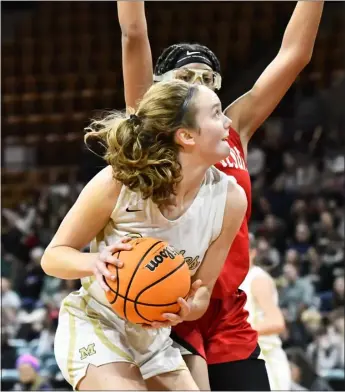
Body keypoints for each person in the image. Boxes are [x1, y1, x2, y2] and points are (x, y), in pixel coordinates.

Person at [117, 1, 324, 389]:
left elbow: (294, 56)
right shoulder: (149, 130)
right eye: (185, 74)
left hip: (226, 309)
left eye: (207, 77)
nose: (198, 82)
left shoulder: (232, 128)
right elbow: (133, 35)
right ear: (161, 85)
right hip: (163, 301)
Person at [41, 80, 247, 390]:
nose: (228, 123)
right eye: (217, 114)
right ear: (186, 135)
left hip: (154, 339)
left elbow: (202, 291)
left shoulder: (231, 200)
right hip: (97, 322)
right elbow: (53, 257)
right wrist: (95, 261)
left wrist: (188, 309)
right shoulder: (119, 184)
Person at [239, 233, 291, 390]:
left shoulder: (257, 279)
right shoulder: (236, 278)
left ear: (252, 252)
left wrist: (237, 332)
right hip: (247, 356)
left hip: (266, 360)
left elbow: (276, 322)